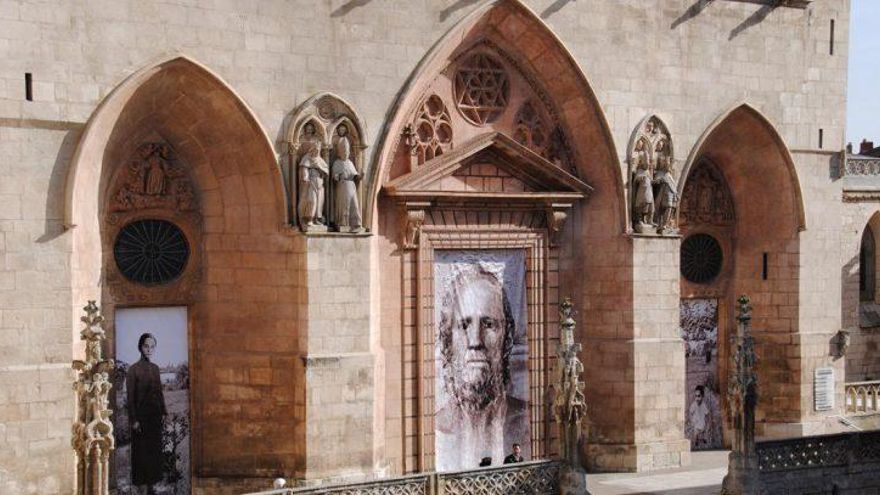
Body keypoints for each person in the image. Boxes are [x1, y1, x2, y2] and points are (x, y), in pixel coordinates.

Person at [435, 268, 529, 471]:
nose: (475, 341)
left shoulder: (525, 420)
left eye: (488, 324)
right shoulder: (435, 429)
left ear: (507, 337)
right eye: (464, 325)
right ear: (446, 342)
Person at [126, 333, 167, 495]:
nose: (149, 349)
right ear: (140, 347)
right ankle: (142, 488)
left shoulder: (156, 369)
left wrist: (164, 412)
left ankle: (152, 487)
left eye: (152, 347)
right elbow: (130, 398)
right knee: (141, 453)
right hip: (141, 420)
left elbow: (159, 392)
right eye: (146, 346)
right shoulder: (133, 370)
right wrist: (134, 420)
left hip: (155, 417)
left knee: (154, 451)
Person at [331, 124, 362, 232]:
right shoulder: (337, 163)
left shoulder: (349, 162)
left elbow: (355, 174)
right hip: (343, 185)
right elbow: (334, 176)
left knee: (354, 203)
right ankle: (343, 223)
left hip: (351, 185)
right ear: (340, 152)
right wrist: (338, 176)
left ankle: (355, 224)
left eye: (347, 151)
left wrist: (359, 176)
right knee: (344, 205)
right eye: (343, 150)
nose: (345, 152)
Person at [298, 143, 329, 228]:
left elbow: (326, 171)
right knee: (312, 200)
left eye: (318, 150)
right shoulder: (307, 158)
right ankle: (309, 219)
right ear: (312, 149)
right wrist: (305, 177)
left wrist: (319, 167)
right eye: (315, 149)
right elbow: (304, 168)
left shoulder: (320, 160)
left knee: (320, 202)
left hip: (319, 182)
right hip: (311, 182)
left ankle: (316, 219)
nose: (317, 151)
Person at [686, 385, 711, 450]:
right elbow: (690, 412)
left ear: (702, 397)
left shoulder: (703, 405)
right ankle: (696, 441)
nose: (697, 398)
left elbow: (707, 414)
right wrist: (691, 420)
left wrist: (708, 422)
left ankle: (703, 439)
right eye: (696, 396)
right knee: (696, 433)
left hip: (702, 423)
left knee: (703, 432)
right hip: (696, 423)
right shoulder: (694, 405)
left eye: (699, 396)